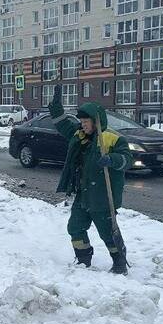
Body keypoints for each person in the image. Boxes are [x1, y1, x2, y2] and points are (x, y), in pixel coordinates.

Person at [48, 88, 132, 274]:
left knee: (108, 233)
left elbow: (127, 160)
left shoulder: (112, 139)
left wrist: (113, 160)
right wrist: (55, 108)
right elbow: (62, 124)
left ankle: (119, 263)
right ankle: (83, 260)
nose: (83, 125)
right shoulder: (79, 136)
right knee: (75, 227)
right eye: (82, 122)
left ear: (96, 121)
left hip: (102, 197)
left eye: (86, 122)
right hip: (83, 193)